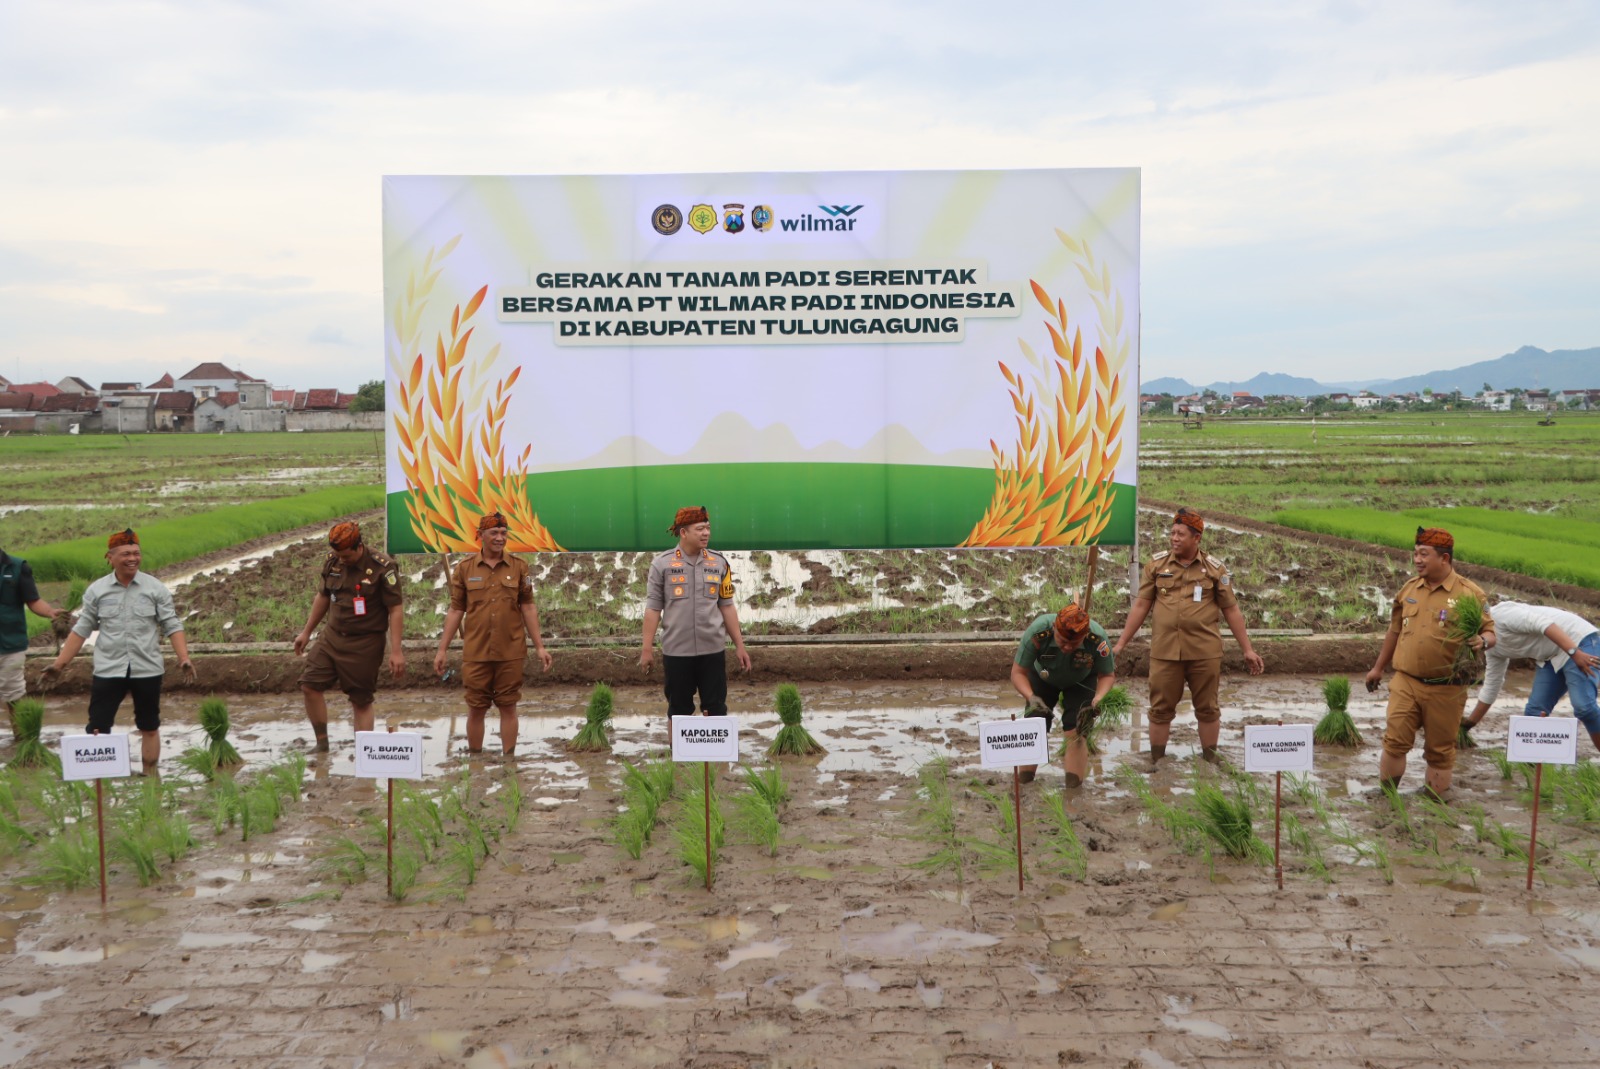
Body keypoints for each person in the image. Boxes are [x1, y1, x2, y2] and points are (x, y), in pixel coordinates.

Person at [1113, 507, 1265, 765]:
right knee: (1160, 710)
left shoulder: (1215, 570)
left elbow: (1231, 610)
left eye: (1181, 534)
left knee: (1207, 709)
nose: (1174, 538)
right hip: (1165, 652)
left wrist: (1247, 649)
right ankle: (1157, 762)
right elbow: (1141, 606)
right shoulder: (1157, 566)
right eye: (1172, 533)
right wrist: (1120, 644)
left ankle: (1210, 760)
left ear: (1197, 538)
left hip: (1204, 652)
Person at [41, 530, 194, 771]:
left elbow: (172, 624)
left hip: (147, 667)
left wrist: (183, 658)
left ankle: (150, 778)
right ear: (110, 558)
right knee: (98, 727)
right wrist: (59, 665)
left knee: (149, 725)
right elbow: (81, 630)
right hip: (109, 668)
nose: (132, 558)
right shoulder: (97, 591)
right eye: (125, 554)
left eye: (136, 553)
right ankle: (102, 781)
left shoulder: (155, 589)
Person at [1364, 527, 1496, 798]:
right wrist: (1378, 667)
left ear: (1444, 559)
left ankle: (1435, 801)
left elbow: (1490, 633)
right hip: (1407, 681)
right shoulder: (1409, 589)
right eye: (1415, 554)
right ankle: (1387, 797)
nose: (1417, 560)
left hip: (1447, 687)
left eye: (1424, 554)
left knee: (1439, 750)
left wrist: (1482, 641)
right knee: (1395, 741)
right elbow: (1395, 630)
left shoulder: (1470, 594)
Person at [433, 513, 552, 756]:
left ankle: (509, 760)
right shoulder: (465, 569)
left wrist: (540, 646)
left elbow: (528, 607)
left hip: (511, 650)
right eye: (494, 533)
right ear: (480, 536)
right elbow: (456, 609)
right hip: (476, 652)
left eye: (504, 533)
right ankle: (475, 758)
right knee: (476, 708)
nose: (500, 538)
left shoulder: (519, 567)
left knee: (508, 706)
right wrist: (442, 649)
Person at [294, 521, 405, 750]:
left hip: (365, 643)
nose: (342, 560)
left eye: (346, 555)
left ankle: (364, 754)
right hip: (332, 637)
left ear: (359, 546)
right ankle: (322, 743)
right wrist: (307, 632)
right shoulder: (332, 562)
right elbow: (323, 596)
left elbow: (395, 609)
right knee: (309, 685)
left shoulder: (382, 567)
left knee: (360, 701)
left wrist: (396, 651)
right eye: (338, 555)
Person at [639, 506, 751, 719]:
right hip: (677, 652)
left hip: (712, 650)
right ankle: (677, 752)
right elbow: (653, 608)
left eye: (708, 528)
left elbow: (726, 605)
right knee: (679, 709)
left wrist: (740, 645)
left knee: (716, 708)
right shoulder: (662, 564)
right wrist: (647, 649)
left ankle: (715, 753)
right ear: (683, 532)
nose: (706, 533)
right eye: (700, 529)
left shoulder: (719, 563)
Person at [1460, 600, 1598, 752]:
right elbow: (1492, 684)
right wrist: (1469, 724)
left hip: (1578, 640)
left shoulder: (1502, 615)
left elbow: (1544, 624)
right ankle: (1530, 769)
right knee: (1534, 714)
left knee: (1583, 707)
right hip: (1551, 654)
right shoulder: (1492, 648)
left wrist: (1574, 652)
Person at [1011, 603, 1116, 786]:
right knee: (1033, 725)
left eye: (1074, 644)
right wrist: (1031, 697)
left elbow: (1107, 675)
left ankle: (1073, 789)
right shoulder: (1038, 632)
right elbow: (1017, 673)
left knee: (1077, 730)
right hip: (1043, 678)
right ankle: (1025, 783)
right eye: (1062, 641)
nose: (1067, 647)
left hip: (1081, 680)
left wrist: (1097, 699)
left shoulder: (1097, 639)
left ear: (1084, 636)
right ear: (1054, 629)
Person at [1, 546, 63, 731]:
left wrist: (51, 611)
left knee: (14, 694)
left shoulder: (17, 566)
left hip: (10, 642)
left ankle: (24, 742)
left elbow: (33, 600)